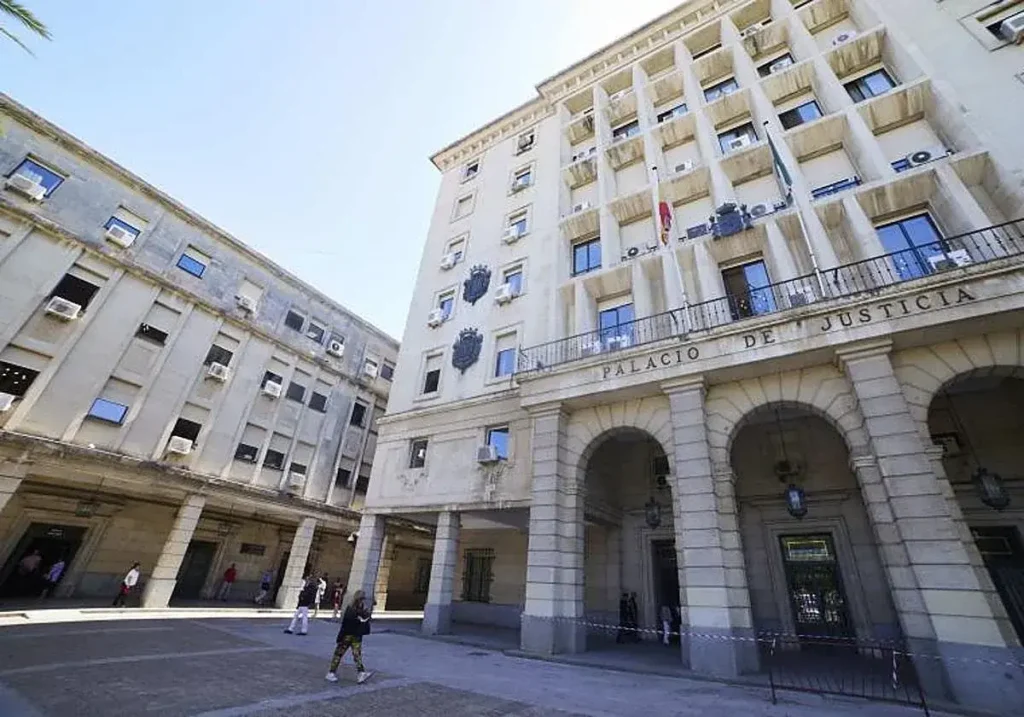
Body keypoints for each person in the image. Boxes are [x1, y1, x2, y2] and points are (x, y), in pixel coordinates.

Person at [325, 590, 374, 684]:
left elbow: (346, 623)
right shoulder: (359, 609)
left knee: (340, 654)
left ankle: (332, 673)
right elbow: (358, 620)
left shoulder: (351, 608)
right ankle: (360, 673)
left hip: (348, 635)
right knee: (356, 655)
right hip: (354, 635)